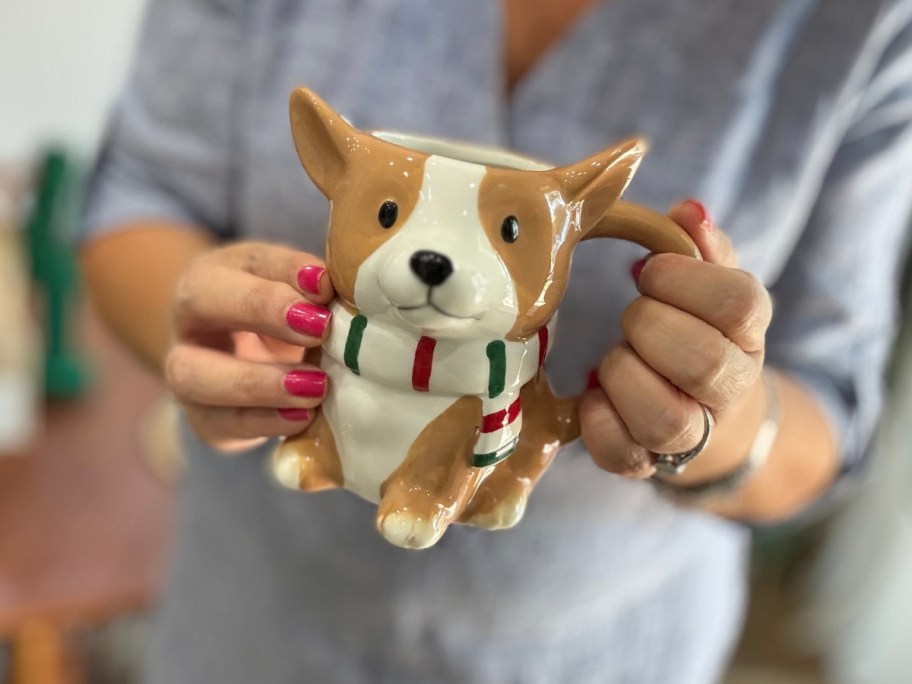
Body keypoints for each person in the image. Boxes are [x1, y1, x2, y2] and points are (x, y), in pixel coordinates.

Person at [80, 0, 912, 681]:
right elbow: (140, 187)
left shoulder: (862, 24)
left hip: (600, 650)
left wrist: (707, 416)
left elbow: (829, 402)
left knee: (475, 436)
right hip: (256, 617)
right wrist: (217, 337)